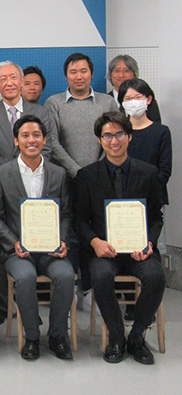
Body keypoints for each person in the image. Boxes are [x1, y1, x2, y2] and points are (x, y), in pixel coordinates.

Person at [74, 111, 165, 365]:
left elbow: (156, 217)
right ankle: (116, 336)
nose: (114, 141)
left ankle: (137, 337)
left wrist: (150, 242)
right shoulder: (87, 175)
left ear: (129, 137)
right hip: (105, 250)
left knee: (156, 276)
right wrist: (95, 242)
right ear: (99, 140)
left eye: (120, 134)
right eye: (108, 135)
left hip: (139, 250)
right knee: (101, 276)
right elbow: (79, 219)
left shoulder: (148, 173)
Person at [0, 115, 75, 361]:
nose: (31, 140)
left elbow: (67, 214)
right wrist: (13, 242)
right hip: (17, 250)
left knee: (66, 276)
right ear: (16, 141)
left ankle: (58, 336)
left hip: (50, 249)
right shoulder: (2, 173)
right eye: (25, 136)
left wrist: (63, 240)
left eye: (36, 135)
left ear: (44, 139)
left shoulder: (58, 173)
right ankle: (32, 338)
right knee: (25, 278)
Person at [0, 60, 54, 326]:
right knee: (1, 247)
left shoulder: (40, 112)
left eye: (13, 77)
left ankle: (29, 305)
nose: (9, 82)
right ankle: (0, 305)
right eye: (3, 79)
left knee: (34, 244)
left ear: (22, 82)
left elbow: (48, 148)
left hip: (36, 187)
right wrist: (3, 180)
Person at [44, 53, 119, 309]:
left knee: (96, 232)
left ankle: (90, 287)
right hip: (68, 179)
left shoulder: (107, 102)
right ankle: (72, 287)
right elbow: (52, 143)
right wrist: (79, 172)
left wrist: (96, 171)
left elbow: (111, 139)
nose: (79, 76)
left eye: (84, 71)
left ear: (91, 73)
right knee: (71, 235)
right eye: (74, 71)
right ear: (66, 75)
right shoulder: (54, 103)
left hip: (101, 180)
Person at [117, 78, 172, 318]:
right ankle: (129, 306)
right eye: (127, 99)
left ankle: (146, 310)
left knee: (149, 258)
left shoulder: (161, 131)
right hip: (120, 205)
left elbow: (164, 170)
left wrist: (144, 193)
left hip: (151, 204)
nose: (133, 103)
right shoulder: (118, 132)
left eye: (137, 98)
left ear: (148, 100)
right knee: (126, 256)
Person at [107, 54, 161, 122]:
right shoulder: (104, 100)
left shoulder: (145, 101)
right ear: (110, 75)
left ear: (134, 74)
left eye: (126, 71)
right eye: (117, 70)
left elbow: (156, 127)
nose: (121, 75)